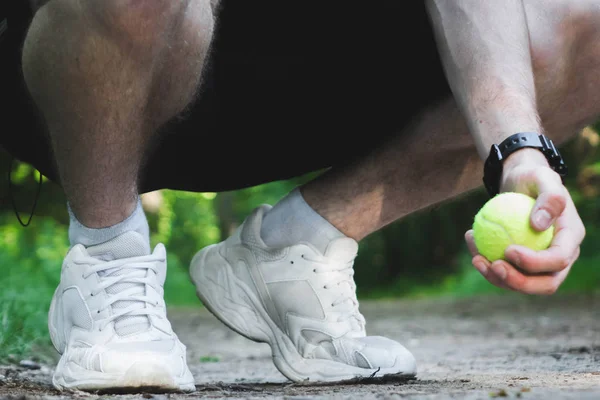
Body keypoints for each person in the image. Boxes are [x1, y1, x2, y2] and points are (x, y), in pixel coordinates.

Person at [0, 0, 591, 392]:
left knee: (582, 21)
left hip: (310, 76)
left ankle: (295, 249)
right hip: (95, 61)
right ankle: (107, 255)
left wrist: (518, 153)